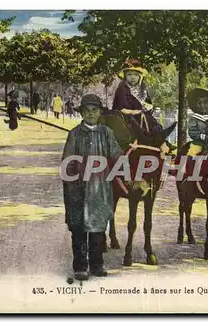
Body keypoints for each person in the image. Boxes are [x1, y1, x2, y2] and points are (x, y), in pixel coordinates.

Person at [62, 94, 123, 281]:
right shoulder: (74, 134)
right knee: (79, 228)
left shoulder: (106, 133)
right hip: (78, 189)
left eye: (94, 110)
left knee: (98, 228)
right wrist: (75, 177)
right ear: (81, 112)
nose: (90, 113)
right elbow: (67, 161)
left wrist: (124, 155)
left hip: (100, 188)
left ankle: (97, 264)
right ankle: (80, 266)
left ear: (100, 113)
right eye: (86, 110)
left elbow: (116, 154)